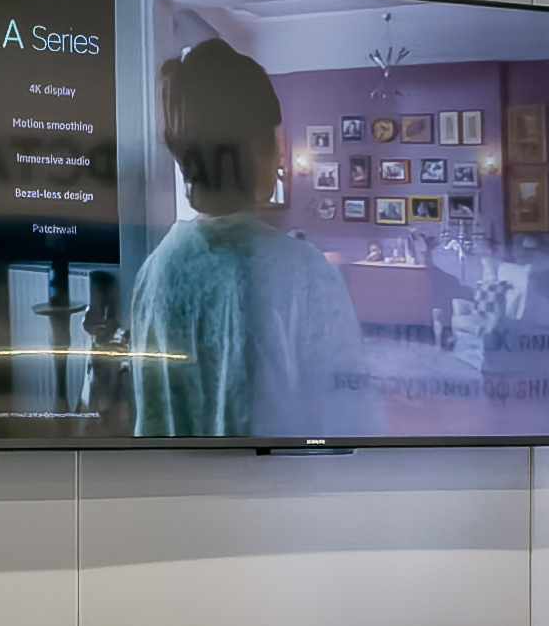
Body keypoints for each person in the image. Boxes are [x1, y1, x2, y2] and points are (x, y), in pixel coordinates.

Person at [122, 38, 381, 438]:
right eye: (274, 142)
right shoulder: (304, 274)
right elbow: (351, 423)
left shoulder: (154, 272)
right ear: (257, 149)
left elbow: (152, 416)